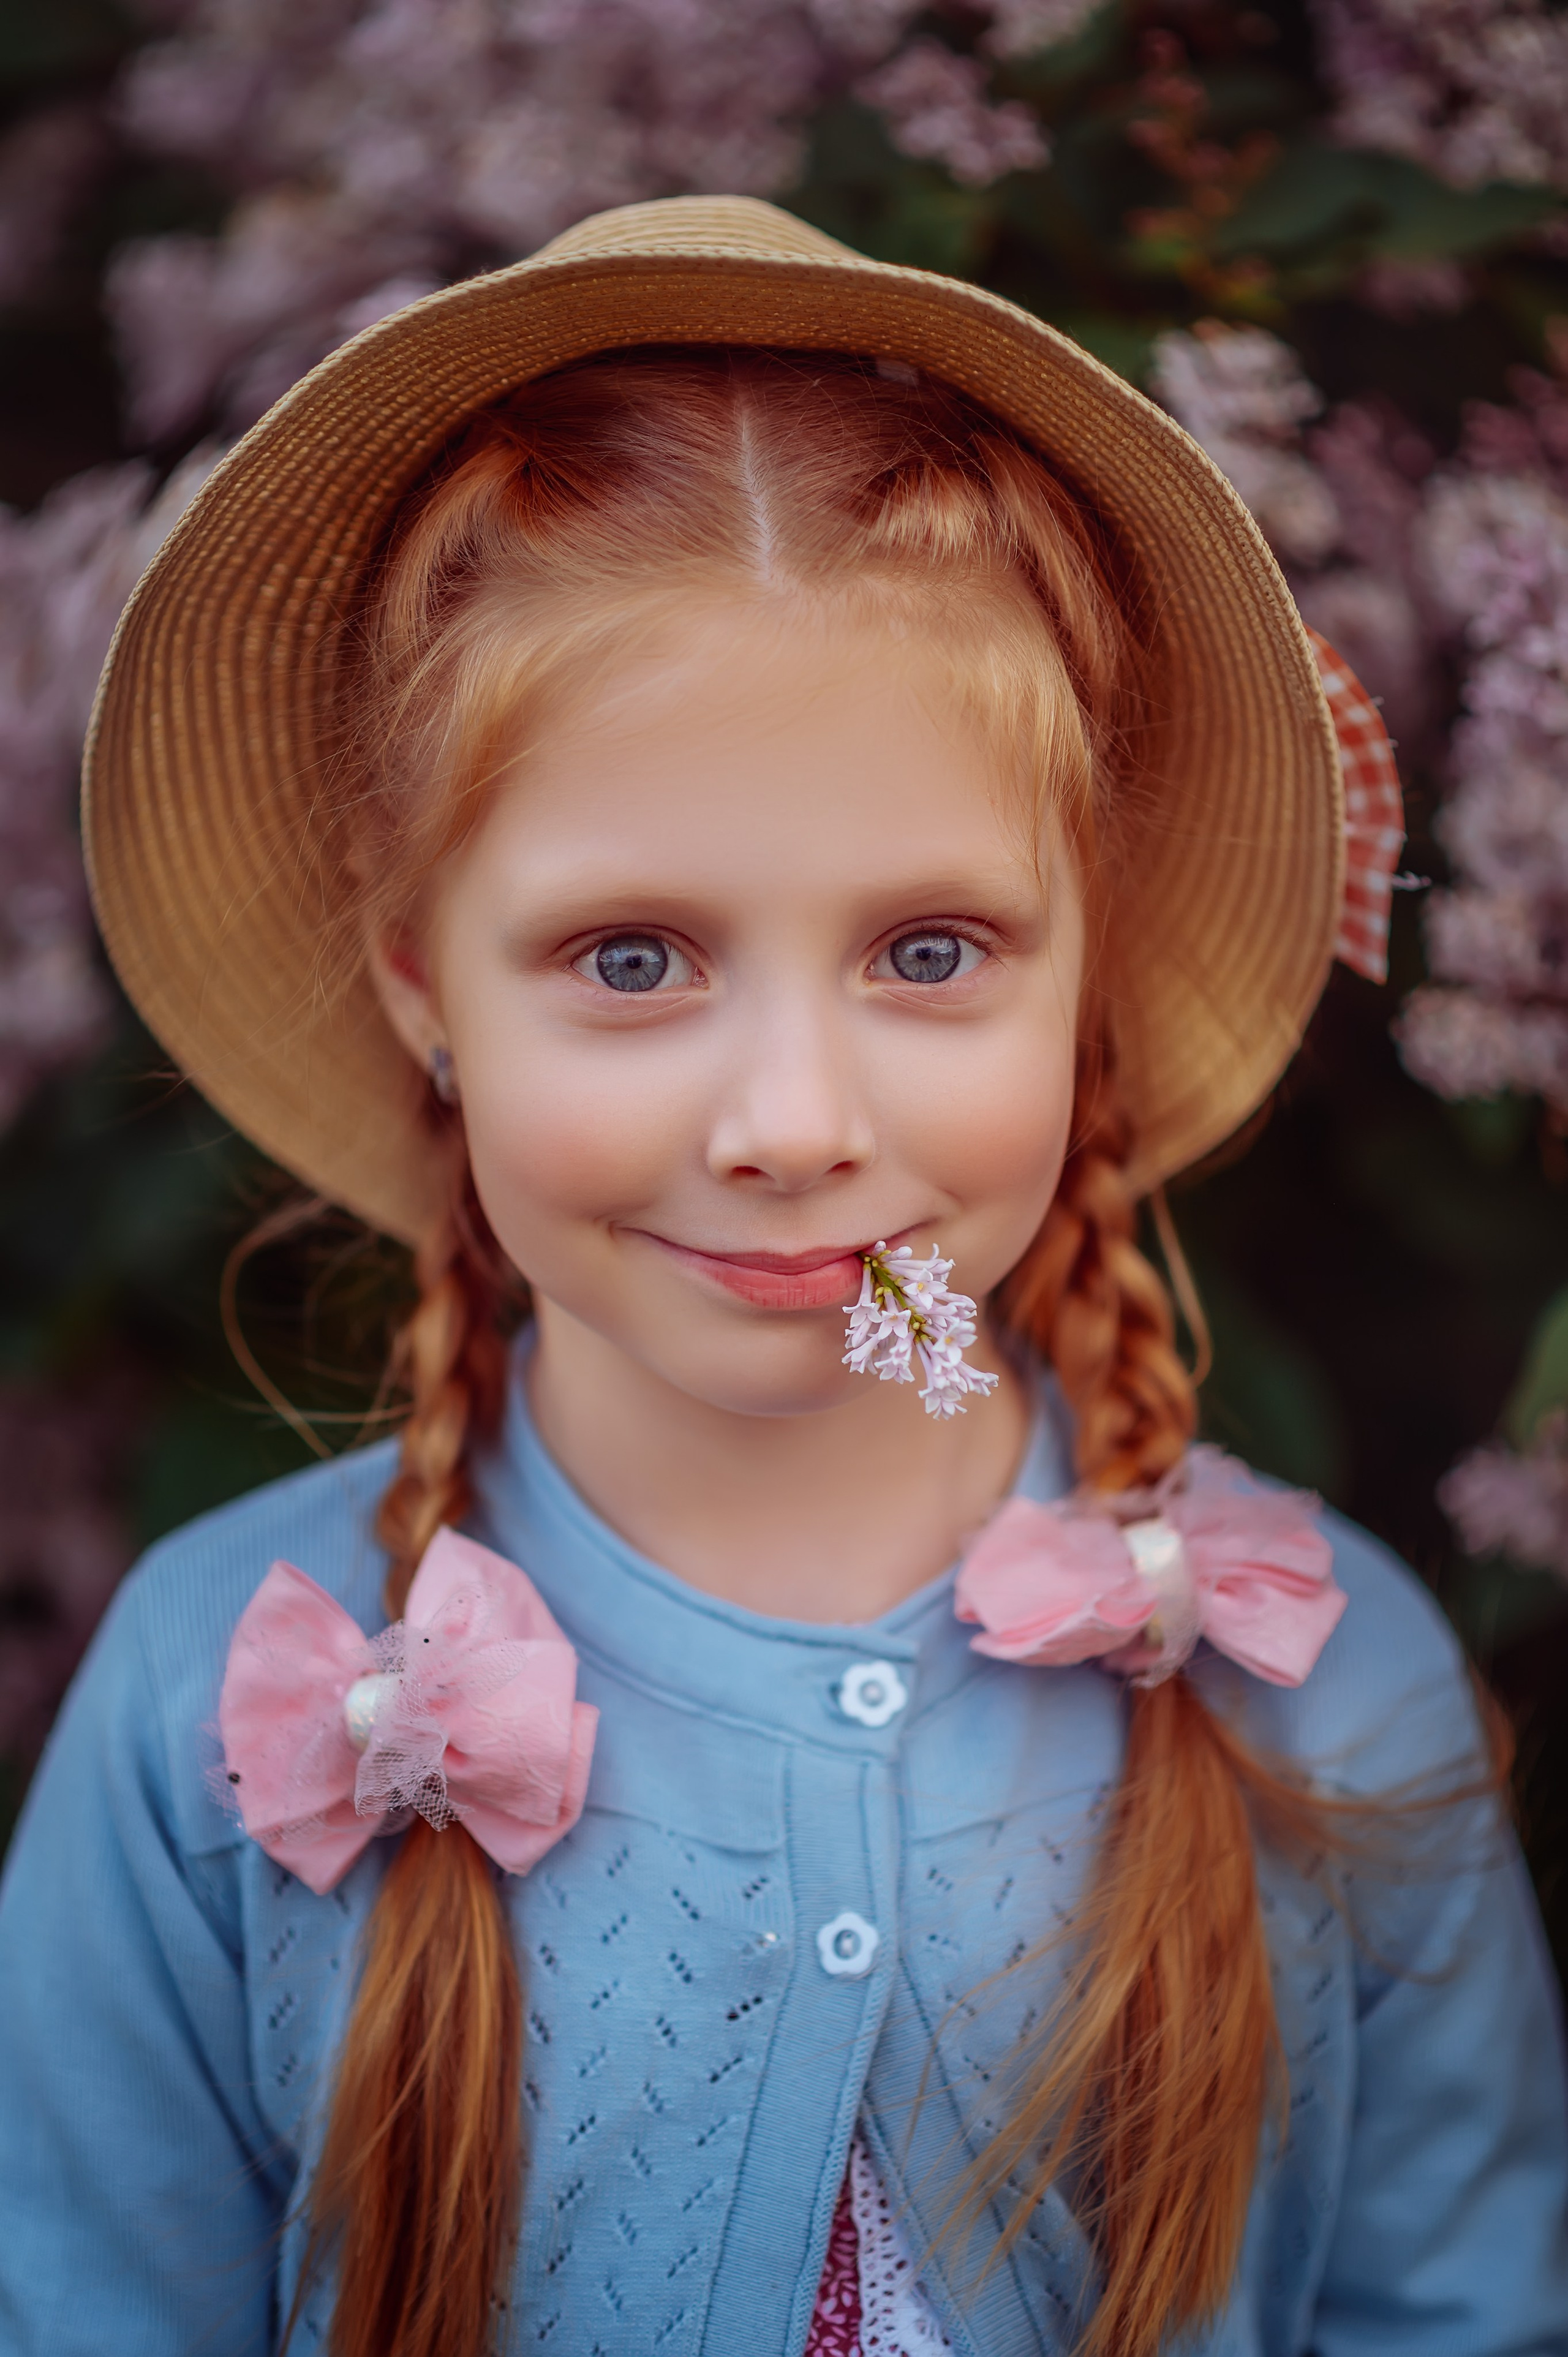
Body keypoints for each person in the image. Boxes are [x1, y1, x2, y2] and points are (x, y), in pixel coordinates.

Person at [0, 197, 1563, 2357]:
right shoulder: (211, 1713)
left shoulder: (1328, 1685)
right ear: (420, 985)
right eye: (630, 960)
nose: (795, 1121)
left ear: (1082, 982)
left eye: (932, 953)